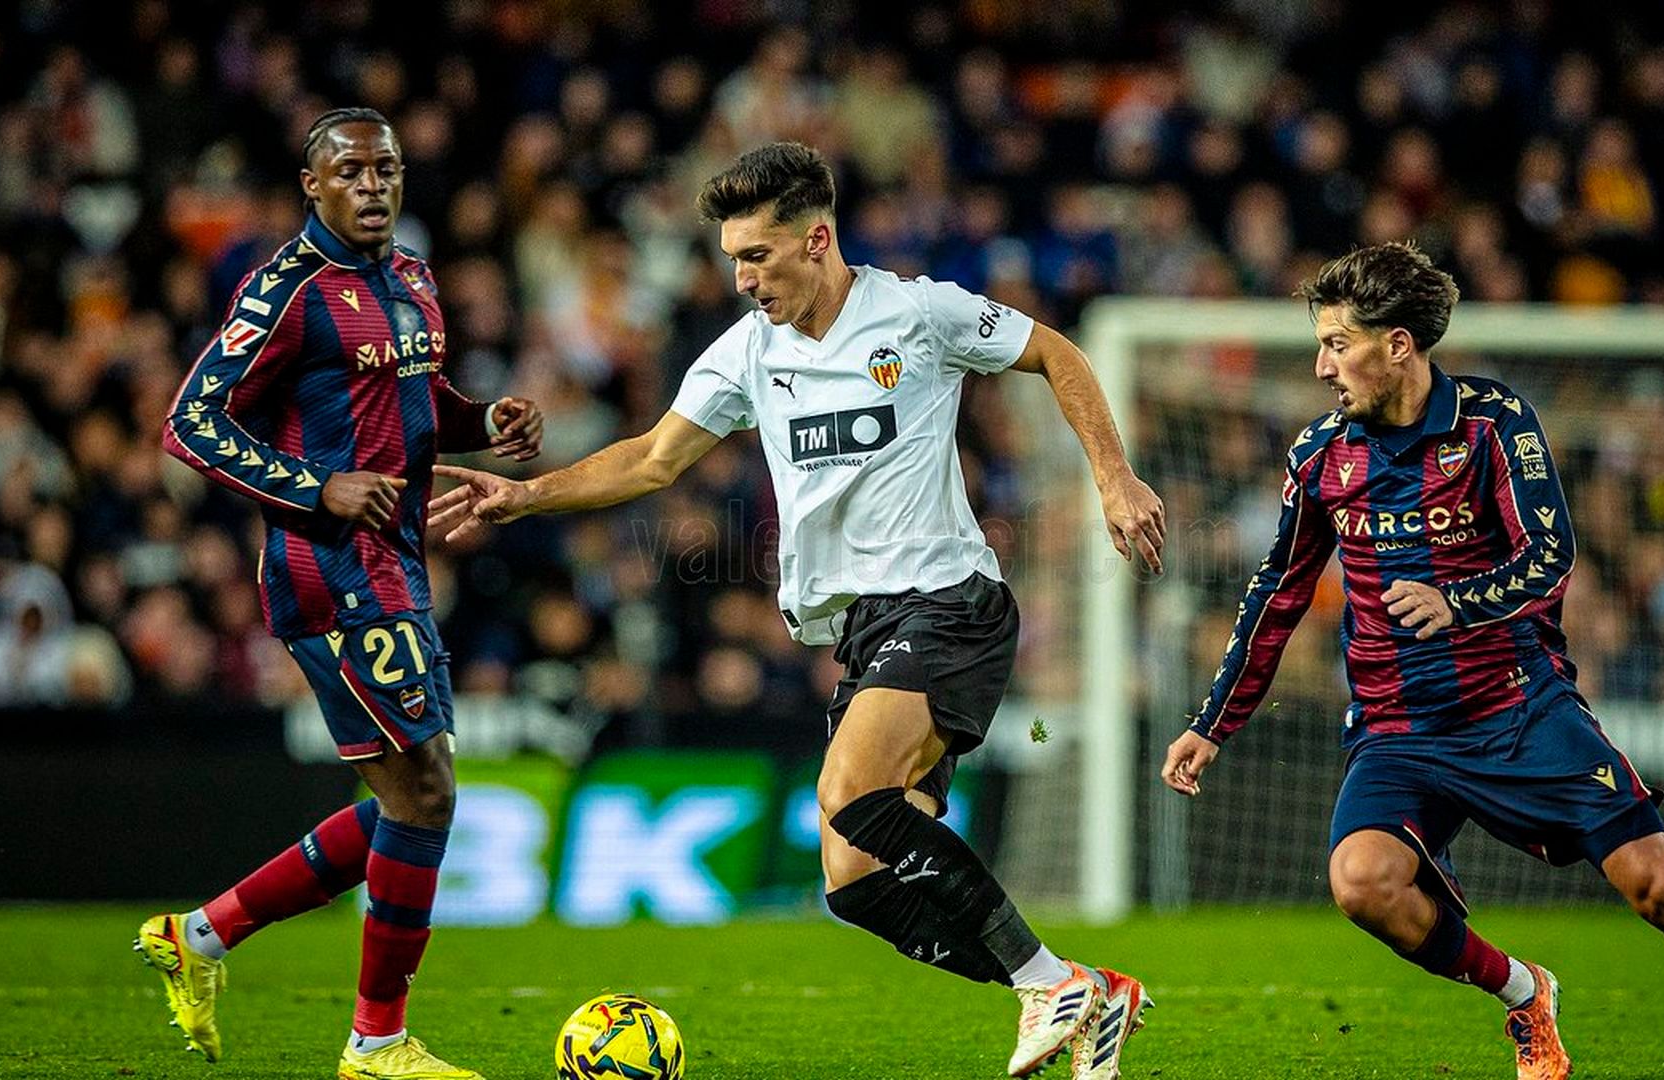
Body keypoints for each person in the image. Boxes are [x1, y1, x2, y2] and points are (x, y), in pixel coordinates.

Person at [432, 142, 1161, 1080]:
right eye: (732, 258)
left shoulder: (920, 311)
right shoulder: (747, 352)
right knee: (853, 885)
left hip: (948, 600)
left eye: (757, 256)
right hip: (861, 632)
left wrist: (1113, 476)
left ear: (817, 240)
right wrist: (526, 495)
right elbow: (653, 458)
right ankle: (1085, 990)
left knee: (850, 795)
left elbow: (1054, 353)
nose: (741, 278)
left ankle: (1045, 986)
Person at [1160, 242, 1664, 1080]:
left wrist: (1456, 600)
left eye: (1337, 343)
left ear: (1399, 345)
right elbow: (1276, 596)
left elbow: (1551, 553)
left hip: (1517, 709)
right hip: (1398, 730)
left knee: (1659, 889)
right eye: (1320, 344)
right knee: (1362, 882)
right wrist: (1212, 724)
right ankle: (1523, 992)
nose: (1321, 366)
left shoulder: (1495, 423)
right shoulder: (1320, 455)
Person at [143, 106, 543, 1080]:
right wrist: (313, 487)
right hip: (331, 568)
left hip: (396, 561)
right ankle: (375, 1041)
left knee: (414, 793)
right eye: (352, 172)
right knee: (428, 793)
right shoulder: (286, 290)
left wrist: (482, 419)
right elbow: (190, 423)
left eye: (387, 170)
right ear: (312, 186)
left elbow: (416, 406)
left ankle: (201, 935)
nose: (373, 187)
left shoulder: (409, 277)